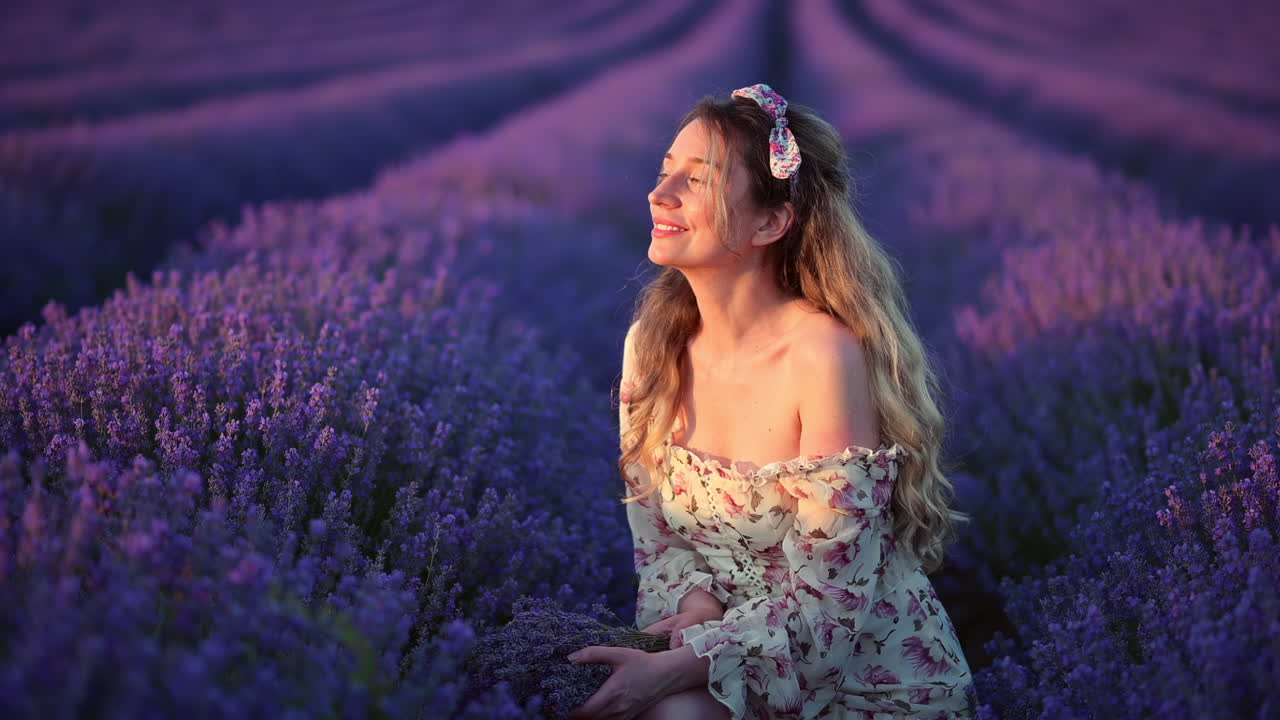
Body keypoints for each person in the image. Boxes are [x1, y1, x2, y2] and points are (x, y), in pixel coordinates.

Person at [566, 84, 978, 719]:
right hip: (724, 652)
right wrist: (697, 610)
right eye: (664, 170)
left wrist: (674, 667)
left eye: (696, 180)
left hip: (863, 680)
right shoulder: (650, 348)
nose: (659, 193)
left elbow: (829, 604)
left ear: (771, 221)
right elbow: (657, 543)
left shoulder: (823, 358)